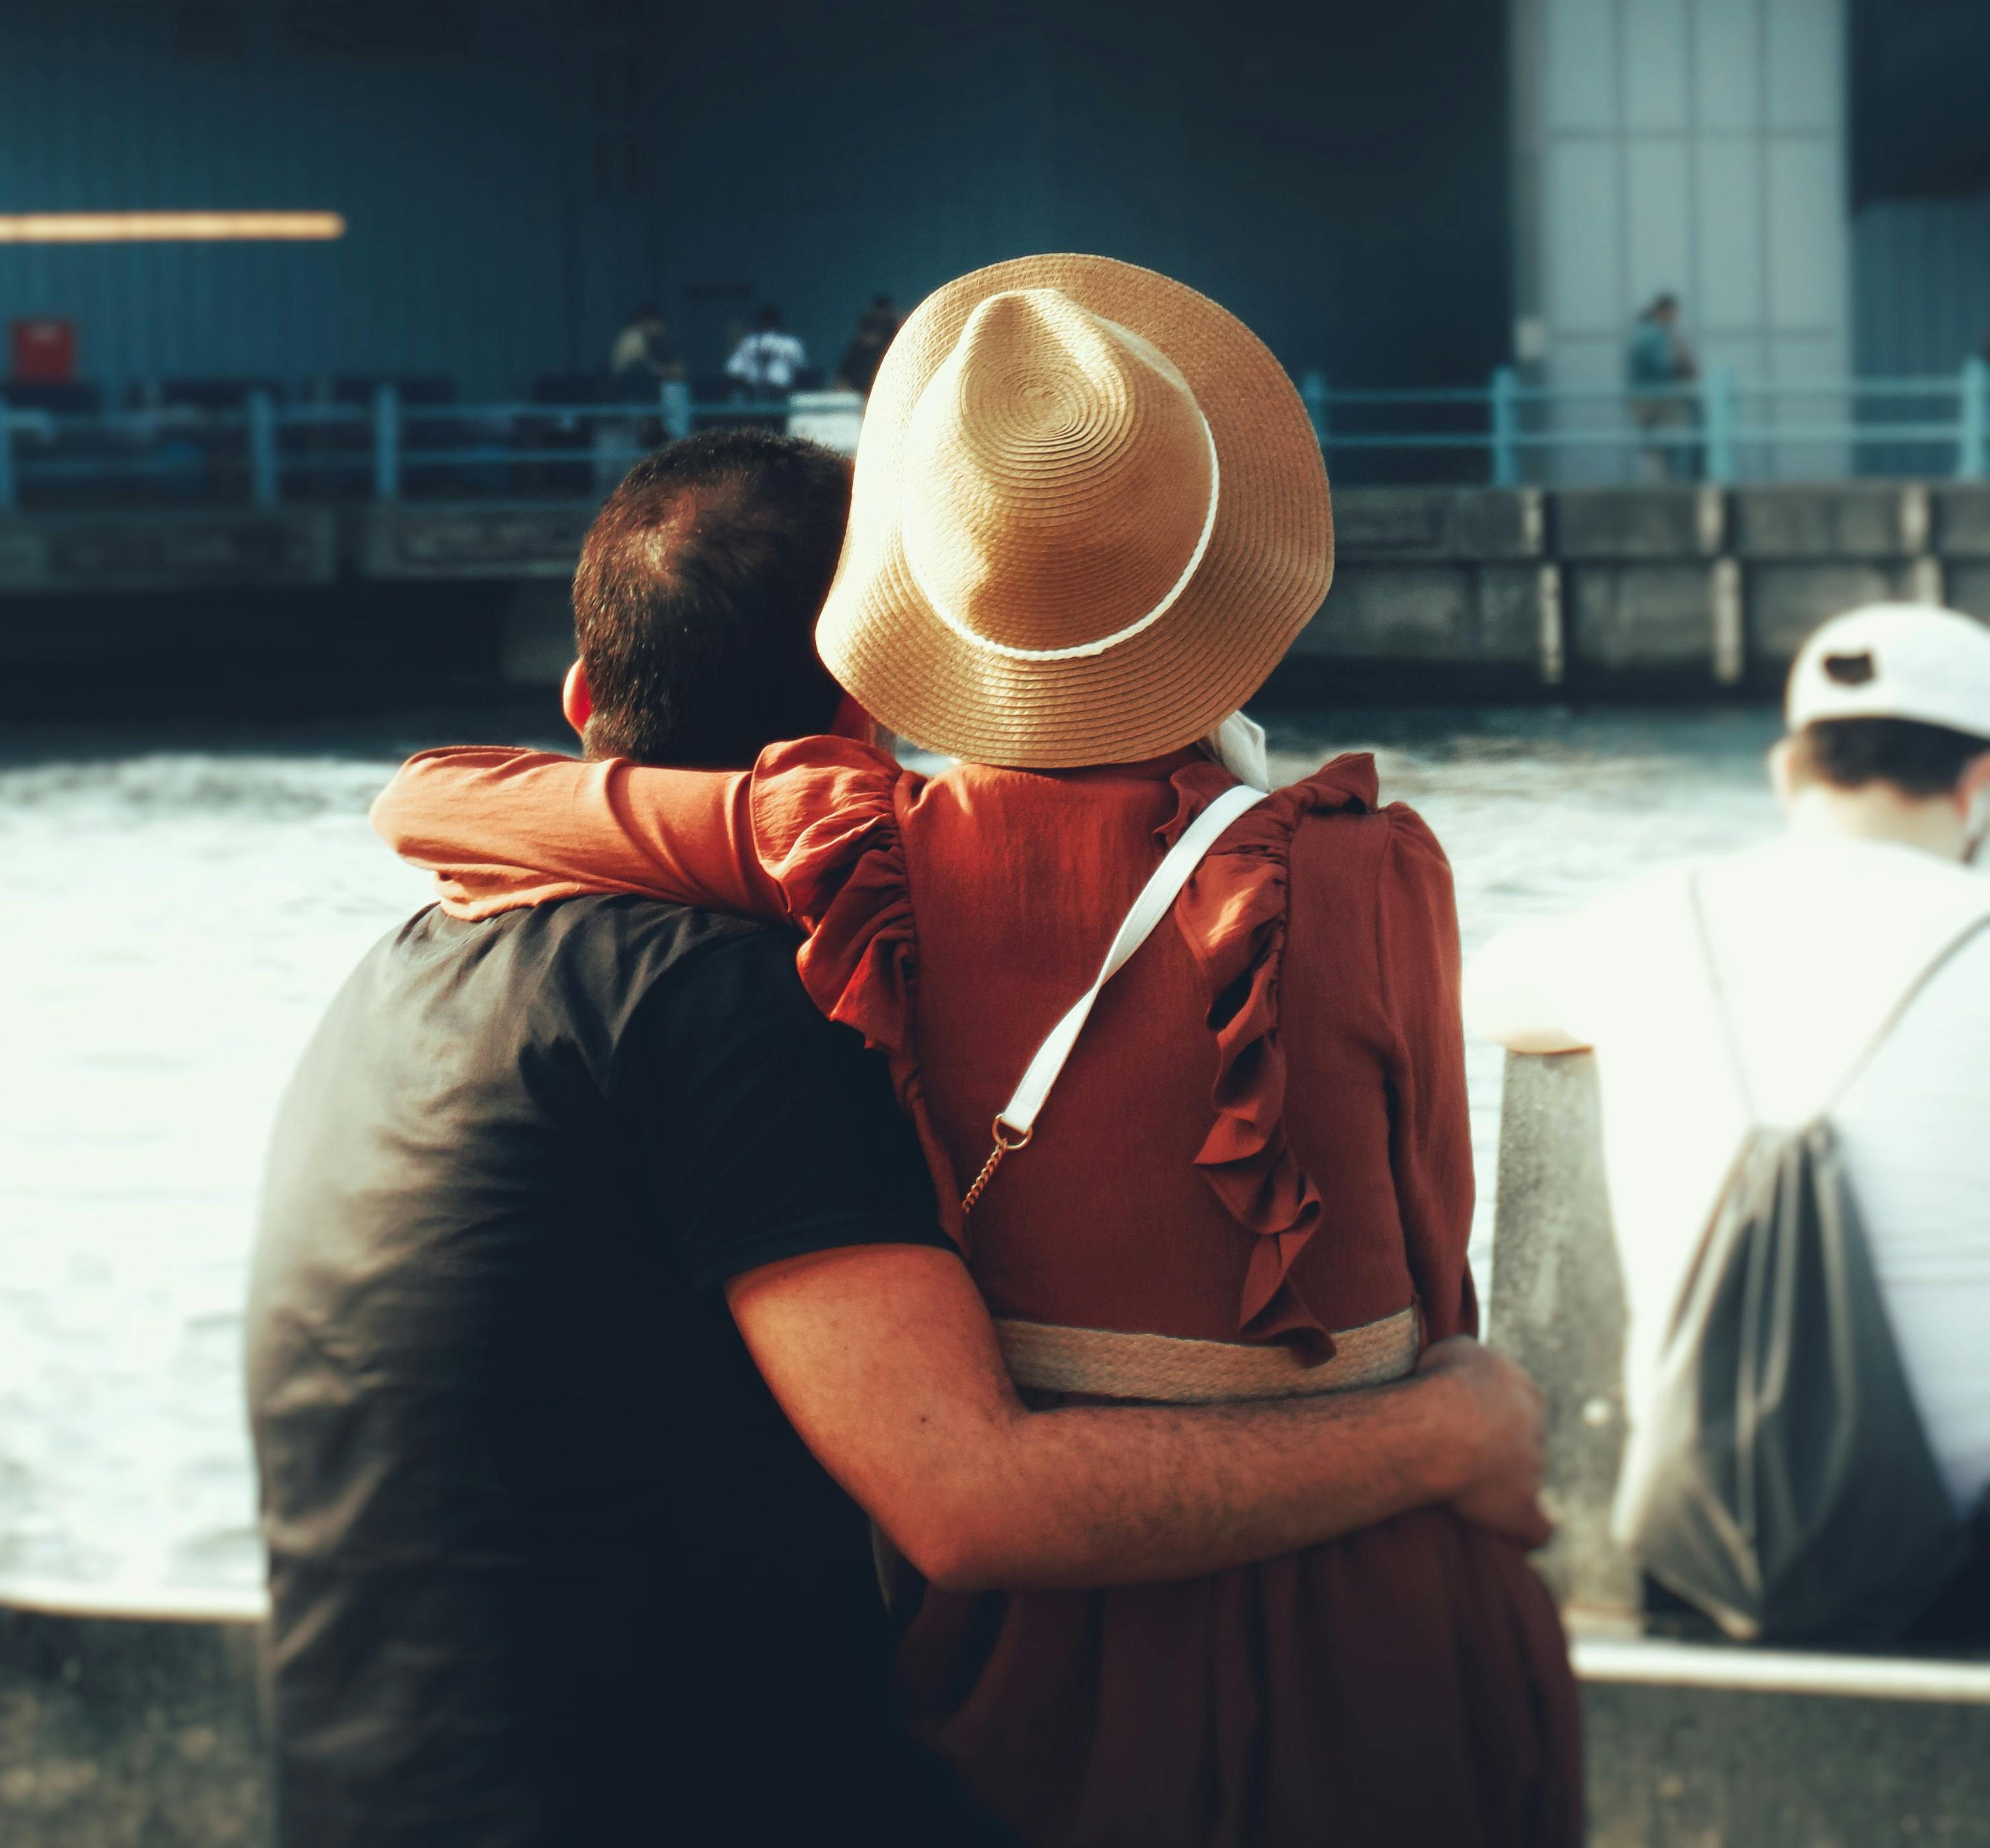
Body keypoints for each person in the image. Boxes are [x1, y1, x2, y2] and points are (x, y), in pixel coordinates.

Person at [375, 255, 1582, 1847]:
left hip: (1055, 1666)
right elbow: (1436, 1280)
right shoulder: (1370, 866)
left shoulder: (854, 863)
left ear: (920, 592)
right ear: (1221, 560)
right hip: (1383, 1619)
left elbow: (433, 800)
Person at [1468, 600, 1990, 1634]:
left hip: (1702, 1539)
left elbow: (1477, 1000)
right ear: (1980, 784)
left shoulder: (1643, 926)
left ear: (1790, 774)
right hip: (1959, 1570)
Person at [1628, 290, 1698, 479]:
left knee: (1653, 444)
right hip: (1657, 398)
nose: (1676, 318)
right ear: (1664, 312)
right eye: (1674, 313)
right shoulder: (1657, 333)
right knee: (1681, 435)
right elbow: (1664, 365)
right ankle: (1672, 483)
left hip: (1640, 399)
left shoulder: (1641, 331)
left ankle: (1659, 481)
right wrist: (1682, 358)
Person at [726, 302, 809, 402]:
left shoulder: (790, 343)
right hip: (752, 393)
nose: (769, 323)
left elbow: (802, 370)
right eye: (766, 320)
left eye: (771, 319)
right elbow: (733, 371)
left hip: (781, 392)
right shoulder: (749, 343)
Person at [836, 290, 903, 396]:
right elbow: (843, 376)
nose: (872, 337)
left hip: (889, 392)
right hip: (859, 394)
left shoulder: (896, 347)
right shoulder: (858, 349)